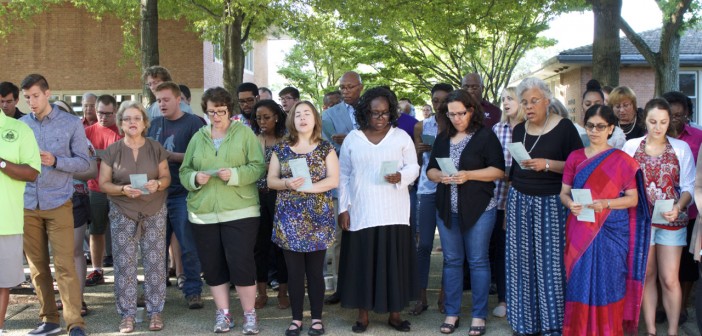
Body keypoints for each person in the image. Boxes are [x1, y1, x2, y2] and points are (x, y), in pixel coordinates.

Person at [180, 86, 265, 334]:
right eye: (211, 112)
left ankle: (250, 314)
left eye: (221, 111)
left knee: (241, 264)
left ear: (230, 110)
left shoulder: (244, 134)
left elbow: (258, 167)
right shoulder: (198, 137)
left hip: (241, 210)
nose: (216, 116)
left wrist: (235, 174)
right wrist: (195, 177)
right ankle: (224, 314)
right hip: (203, 213)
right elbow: (184, 171)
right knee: (213, 265)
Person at [559, 104, 650, 335]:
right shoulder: (575, 157)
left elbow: (633, 199)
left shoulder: (622, 160)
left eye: (600, 126)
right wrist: (570, 204)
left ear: (610, 128)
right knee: (579, 281)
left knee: (610, 284)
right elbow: (563, 192)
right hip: (581, 227)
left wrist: (606, 203)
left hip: (612, 231)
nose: (594, 131)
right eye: (590, 125)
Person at [337, 86, 419, 333]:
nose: (381, 118)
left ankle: (395, 315)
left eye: (385, 113)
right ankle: (363, 316)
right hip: (362, 211)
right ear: (365, 113)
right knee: (363, 264)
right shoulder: (353, 138)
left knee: (393, 264)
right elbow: (344, 175)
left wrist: (401, 176)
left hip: (393, 211)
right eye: (375, 113)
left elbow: (414, 167)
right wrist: (343, 208)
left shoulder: (401, 137)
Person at [505, 77, 583, 336]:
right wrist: (508, 206)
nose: (528, 106)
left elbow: (578, 167)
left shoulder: (565, 128)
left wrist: (547, 164)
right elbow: (515, 171)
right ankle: (524, 323)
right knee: (520, 264)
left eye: (534, 101)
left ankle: (553, 325)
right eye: (524, 102)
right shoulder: (518, 130)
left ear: (547, 102)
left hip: (551, 204)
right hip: (519, 201)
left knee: (550, 265)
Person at [427, 90, 505, 335]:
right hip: (448, 209)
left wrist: (468, 175)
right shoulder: (442, 138)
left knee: (478, 261)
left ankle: (479, 315)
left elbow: (498, 171)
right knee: (451, 262)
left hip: (480, 209)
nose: (457, 118)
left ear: (471, 111)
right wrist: (439, 176)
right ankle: (452, 313)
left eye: (461, 113)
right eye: (452, 114)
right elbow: (430, 170)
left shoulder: (485, 136)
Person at [20, 74, 90, 336]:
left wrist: (56, 160)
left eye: (35, 96)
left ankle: (75, 323)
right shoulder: (20, 125)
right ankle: (49, 319)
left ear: (48, 93)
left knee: (65, 265)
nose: (31, 102)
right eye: (27, 98)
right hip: (27, 203)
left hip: (59, 201)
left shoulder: (71, 123)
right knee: (37, 268)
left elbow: (85, 163)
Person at [622, 98, 696, 336]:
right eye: (653, 121)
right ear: (645, 120)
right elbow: (623, 184)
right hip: (641, 221)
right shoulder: (631, 146)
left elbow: (689, 187)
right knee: (647, 275)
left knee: (670, 278)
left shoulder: (680, 148)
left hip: (671, 220)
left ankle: (673, 330)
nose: (658, 127)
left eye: (663, 122)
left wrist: (679, 206)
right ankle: (652, 330)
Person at [98, 101, 171, 333]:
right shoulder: (113, 150)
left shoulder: (155, 147)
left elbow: (166, 178)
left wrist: (157, 183)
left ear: (144, 122)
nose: (132, 122)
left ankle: (155, 311)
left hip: (154, 209)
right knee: (124, 265)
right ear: (120, 123)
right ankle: (127, 314)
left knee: (155, 263)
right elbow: (103, 184)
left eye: (137, 118)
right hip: (123, 211)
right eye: (127, 118)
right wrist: (122, 189)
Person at [268, 101, 339, 336]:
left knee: (315, 272)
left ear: (315, 119)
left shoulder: (326, 148)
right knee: (295, 273)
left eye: (307, 113)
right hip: (290, 220)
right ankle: (296, 319)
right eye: (297, 114)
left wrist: (309, 188)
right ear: (292, 120)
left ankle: (317, 319)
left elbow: (333, 180)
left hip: (318, 219)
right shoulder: (281, 149)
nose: (302, 118)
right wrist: (287, 183)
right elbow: (271, 181)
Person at [148, 82, 206, 308]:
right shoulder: (153, 124)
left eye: (166, 99)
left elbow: (199, 158)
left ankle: (193, 291)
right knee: (155, 247)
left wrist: (169, 155)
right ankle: (155, 291)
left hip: (182, 193)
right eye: (158, 100)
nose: (161, 104)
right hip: (157, 194)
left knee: (188, 245)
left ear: (178, 99)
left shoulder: (193, 123)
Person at [321, 71, 364, 305]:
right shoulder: (329, 115)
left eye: (350, 87)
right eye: (342, 88)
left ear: (361, 87)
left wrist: (350, 139)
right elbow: (325, 149)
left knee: (366, 235)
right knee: (339, 237)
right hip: (341, 183)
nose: (346, 91)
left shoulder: (372, 108)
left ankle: (366, 283)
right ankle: (339, 286)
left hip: (369, 184)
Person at [410, 82, 452, 316]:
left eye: (444, 100)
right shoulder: (421, 126)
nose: (439, 105)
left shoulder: (458, 124)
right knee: (423, 244)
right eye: (435, 100)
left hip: (450, 189)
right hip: (426, 189)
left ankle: (444, 297)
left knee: (449, 247)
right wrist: (419, 151)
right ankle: (421, 296)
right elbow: (415, 165)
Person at [0, 103, 40, 336]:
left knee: (2, 282)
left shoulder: (20, 129)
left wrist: (1, 162)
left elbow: (32, 172)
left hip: (6, 222)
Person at [663, 90, 702, 325]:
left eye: (680, 115)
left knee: (686, 266)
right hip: (661, 210)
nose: (676, 119)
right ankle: (662, 306)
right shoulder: (654, 136)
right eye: (672, 115)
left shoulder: (698, 137)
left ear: (687, 114)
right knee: (663, 265)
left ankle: (683, 305)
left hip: (691, 211)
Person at [55, 100, 96, 317]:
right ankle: (65, 298)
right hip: (48, 201)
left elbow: (91, 171)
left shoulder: (81, 139)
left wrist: (62, 168)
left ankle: (78, 300)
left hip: (75, 198)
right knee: (59, 255)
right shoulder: (41, 140)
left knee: (74, 251)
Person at [489, 86, 526, 318]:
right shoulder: (497, 128)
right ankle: (503, 298)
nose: (506, 103)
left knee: (521, 251)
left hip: (522, 197)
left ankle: (521, 298)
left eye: (510, 98)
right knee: (501, 250)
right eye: (503, 99)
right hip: (499, 196)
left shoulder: (529, 129)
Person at [250, 99, 289, 310]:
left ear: (276, 116)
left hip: (281, 197)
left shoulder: (286, 140)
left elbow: (291, 168)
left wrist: (268, 167)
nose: (262, 121)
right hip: (256, 198)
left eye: (266, 117)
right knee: (259, 247)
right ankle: (261, 292)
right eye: (258, 118)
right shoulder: (253, 139)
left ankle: (283, 292)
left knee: (281, 246)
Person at [84, 94, 122, 287]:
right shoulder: (88, 132)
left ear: (115, 112)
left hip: (118, 189)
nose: (103, 117)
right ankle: (97, 270)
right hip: (95, 188)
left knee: (121, 231)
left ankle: (123, 270)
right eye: (100, 113)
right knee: (96, 230)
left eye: (108, 114)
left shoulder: (121, 131)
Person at [579, 79, 626, 148]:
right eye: (588, 104)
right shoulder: (572, 129)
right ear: (582, 105)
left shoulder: (617, 134)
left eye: (597, 104)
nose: (592, 107)